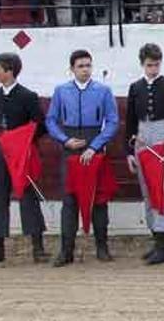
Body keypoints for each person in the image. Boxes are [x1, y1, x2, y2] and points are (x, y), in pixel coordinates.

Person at [46, 50, 119, 267]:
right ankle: (66, 251)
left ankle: (102, 247)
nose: (85, 69)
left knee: (98, 199)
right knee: (69, 200)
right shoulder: (61, 91)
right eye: (81, 66)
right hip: (70, 146)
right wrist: (64, 140)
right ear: (72, 69)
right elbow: (51, 120)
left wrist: (95, 146)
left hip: (93, 142)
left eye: (88, 65)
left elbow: (113, 122)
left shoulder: (103, 91)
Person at [125, 44, 164, 265]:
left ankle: (163, 246)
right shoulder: (135, 87)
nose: (153, 69)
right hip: (142, 135)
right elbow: (130, 121)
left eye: (157, 64)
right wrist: (129, 151)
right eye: (149, 65)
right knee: (147, 191)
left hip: (162, 134)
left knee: (159, 191)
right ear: (142, 64)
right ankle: (156, 239)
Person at [0, 53, 47, 264]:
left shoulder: (27, 96)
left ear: (9, 71)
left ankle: (37, 247)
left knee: (28, 197)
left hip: (21, 155)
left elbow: (39, 126)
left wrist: (22, 142)